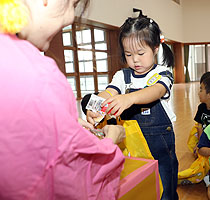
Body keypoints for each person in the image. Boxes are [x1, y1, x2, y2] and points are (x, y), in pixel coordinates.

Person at [0, 0, 126, 199]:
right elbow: (76, 180)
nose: (69, 17)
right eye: (72, 4)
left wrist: (64, 122)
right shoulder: (40, 78)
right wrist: (111, 140)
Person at [82, 16, 178, 200]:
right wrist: (95, 105)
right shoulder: (122, 75)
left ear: (155, 48)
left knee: (166, 184)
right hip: (132, 140)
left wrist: (130, 98)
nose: (135, 60)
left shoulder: (163, 73)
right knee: (139, 179)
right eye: (128, 54)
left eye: (141, 53)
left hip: (159, 141)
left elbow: (156, 91)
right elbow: (109, 92)